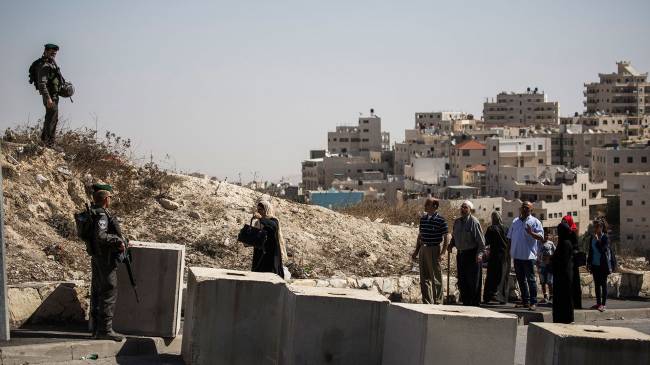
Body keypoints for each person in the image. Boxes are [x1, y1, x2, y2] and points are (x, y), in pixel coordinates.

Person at [89, 184, 126, 341]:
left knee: (98, 290)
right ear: (105, 199)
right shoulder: (102, 215)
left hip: (97, 256)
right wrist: (117, 239)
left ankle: (97, 329)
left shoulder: (93, 212)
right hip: (105, 258)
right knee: (109, 290)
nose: (110, 200)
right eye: (109, 197)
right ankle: (105, 330)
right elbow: (101, 236)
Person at [411, 197, 449, 304]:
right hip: (423, 249)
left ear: (435, 207)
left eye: (428, 204)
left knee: (435, 277)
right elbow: (420, 236)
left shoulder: (441, 220)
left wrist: (442, 253)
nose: (425, 206)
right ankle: (427, 301)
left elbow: (446, 238)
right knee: (424, 278)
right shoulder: (423, 219)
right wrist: (416, 251)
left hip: (434, 249)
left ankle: (438, 301)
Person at [507, 201, 544, 311]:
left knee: (531, 280)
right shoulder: (515, 221)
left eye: (527, 208)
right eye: (523, 207)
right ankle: (525, 301)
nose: (524, 209)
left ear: (531, 210)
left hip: (529, 257)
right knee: (521, 280)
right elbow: (509, 237)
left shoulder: (535, 222)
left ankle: (533, 302)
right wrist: (508, 252)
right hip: (517, 256)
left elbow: (541, 237)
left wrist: (531, 233)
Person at [450, 200, 485, 306]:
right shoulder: (457, 222)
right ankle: (465, 301)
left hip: (472, 254)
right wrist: (451, 244)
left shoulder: (474, 222)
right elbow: (454, 236)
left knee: (473, 280)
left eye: (466, 207)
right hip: (460, 254)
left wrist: (479, 254)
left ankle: (474, 303)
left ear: (470, 210)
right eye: (462, 207)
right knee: (462, 278)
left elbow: (481, 242)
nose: (463, 209)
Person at [36, 43, 63, 145]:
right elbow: (42, 84)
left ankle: (44, 140)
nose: (54, 53)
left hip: (53, 96)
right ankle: (49, 143)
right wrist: (48, 98)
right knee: (51, 119)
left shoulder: (51, 63)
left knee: (51, 118)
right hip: (49, 96)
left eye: (55, 52)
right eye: (51, 51)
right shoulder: (45, 65)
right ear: (46, 51)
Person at [587, 219, 616, 312]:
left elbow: (602, 250)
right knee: (596, 285)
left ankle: (603, 304)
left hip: (603, 265)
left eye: (597, 227)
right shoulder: (592, 238)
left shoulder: (605, 238)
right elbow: (590, 251)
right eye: (594, 227)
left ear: (601, 227)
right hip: (595, 264)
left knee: (603, 285)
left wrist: (598, 240)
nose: (595, 229)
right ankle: (598, 303)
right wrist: (588, 263)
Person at [252, 200, 287, 278]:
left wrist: (261, 219)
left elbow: (272, 227)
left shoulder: (273, 220)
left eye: (261, 209)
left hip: (270, 252)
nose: (259, 211)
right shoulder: (258, 223)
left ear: (266, 209)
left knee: (270, 274)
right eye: (258, 210)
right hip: (259, 252)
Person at [483, 211, 510, 304]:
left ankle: (488, 297)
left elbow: (486, 242)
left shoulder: (491, 229)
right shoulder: (506, 228)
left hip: (494, 255)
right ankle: (503, 298)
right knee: (504, 276)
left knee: (491, 275)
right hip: (506, 256)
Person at [552, 222, 574, 323]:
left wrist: (552, 260)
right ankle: (563, 318)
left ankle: (564, 318)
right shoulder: (565, 242)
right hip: (563, 274)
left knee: (564, 298)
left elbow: (562, 260)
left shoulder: (565, 243)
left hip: (563, 275)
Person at [562, 215, 583, 310]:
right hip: (566, 261)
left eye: (565, 222)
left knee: (574, 282)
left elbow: (576, 247)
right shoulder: (564, 232)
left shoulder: (573, 232)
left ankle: (576, 303)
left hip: (572, 262)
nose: (564, 224)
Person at [538, 232, 555, 304]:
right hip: (541, 265)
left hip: (549, 265)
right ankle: (545, 296)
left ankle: (551, 296)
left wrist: (551, 258)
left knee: (549, 281)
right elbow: (537, 254)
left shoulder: (551, 243)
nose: (546, 236)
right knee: (542, 282)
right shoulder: (538, 243)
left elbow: (555, 252)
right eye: (545, 235)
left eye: (548, 235)